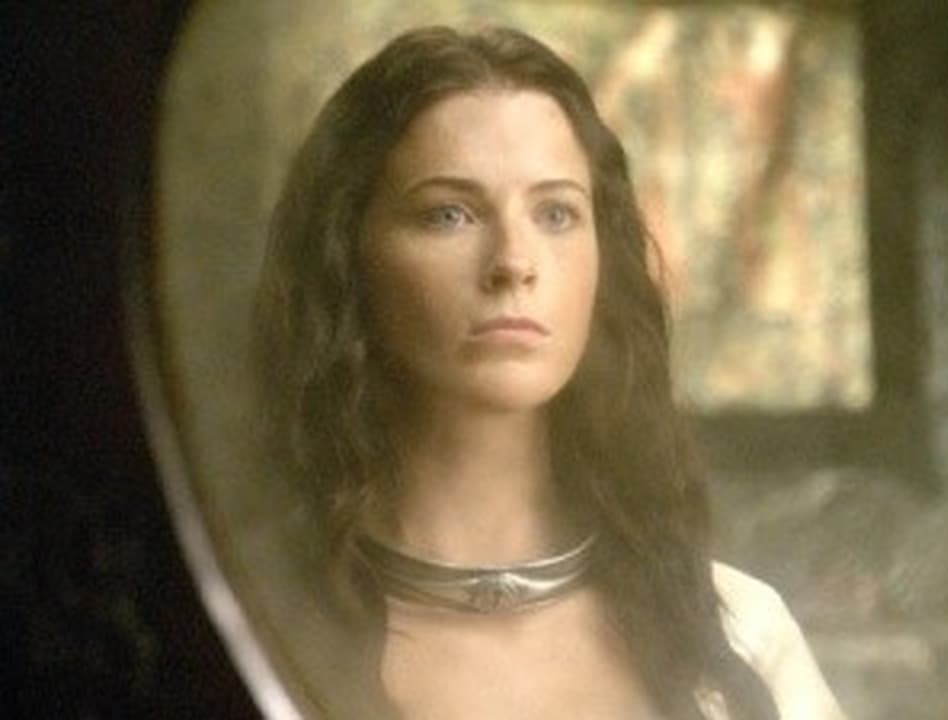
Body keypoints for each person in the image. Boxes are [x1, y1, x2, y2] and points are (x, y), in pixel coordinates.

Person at [254, 25, 846, 720]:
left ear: (602, 257)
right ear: (346, 254)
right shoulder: (255, 623)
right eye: (449, 213)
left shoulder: (739, 640)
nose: (514, 261)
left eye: (556, 213)